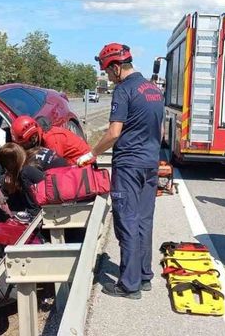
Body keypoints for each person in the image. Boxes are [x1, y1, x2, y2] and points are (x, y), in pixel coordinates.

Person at [77, 43, 164, 299]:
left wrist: (92, 153)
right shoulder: (152, 89)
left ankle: (129, 285)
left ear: (116, 67)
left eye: (107, 71)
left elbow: (114, 132)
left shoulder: (124, 90)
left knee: (127, 221)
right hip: (150, 163)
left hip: (129, 166)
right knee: (144, 220)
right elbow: (159, 131)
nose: (108, 76)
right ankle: (144, 275)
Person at [0, 142, 67, 222]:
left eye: (6, 166)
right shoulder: (33, 151)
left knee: (24, 175)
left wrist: (13, 187)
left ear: (11, 162)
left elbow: (33, 189)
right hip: (65, 177)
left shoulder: (31, 166)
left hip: (60, 187)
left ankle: (34, 213)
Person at [11, 115, 91, 164]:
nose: (22, 147)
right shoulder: (40, 136)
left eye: (23, 144)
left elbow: (56, 166)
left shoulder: (51, 140)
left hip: (83, 163)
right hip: (70, 161)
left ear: (33, 138)